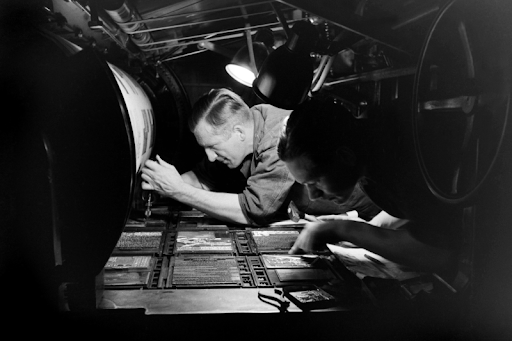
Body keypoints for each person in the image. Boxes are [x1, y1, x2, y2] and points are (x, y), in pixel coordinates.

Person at [141, 88, 380, 226]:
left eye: (213, 147)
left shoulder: (279, 137)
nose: (211, 157)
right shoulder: (248, 128)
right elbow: (203, 176)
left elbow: (255, 210)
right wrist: (160, 183)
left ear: (237, 132)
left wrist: (178, 191)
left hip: (375, 217)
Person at [277, 99, 462, 275]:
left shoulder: (399, 155)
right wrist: (366, 230)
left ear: (345, 157)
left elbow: (440, 254)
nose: (313, 196)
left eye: (315, 181)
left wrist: (342, 229)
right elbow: (410, 207)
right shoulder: (367, 142)